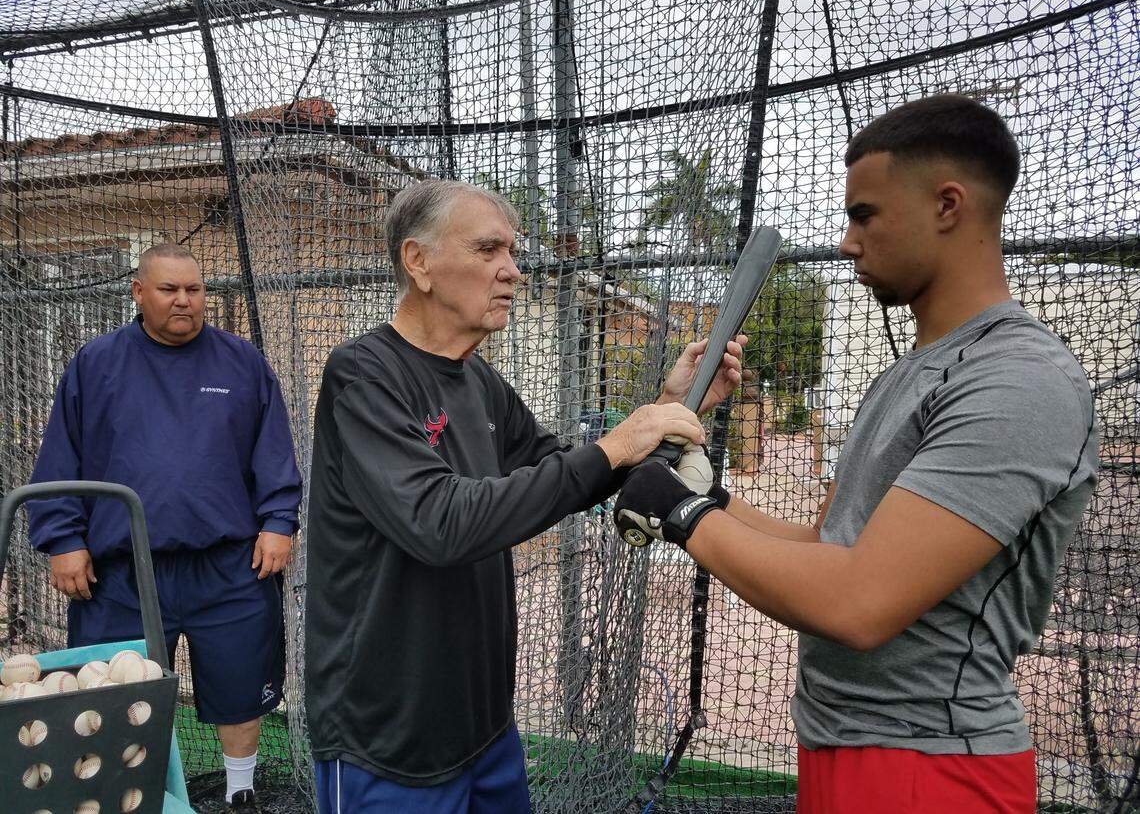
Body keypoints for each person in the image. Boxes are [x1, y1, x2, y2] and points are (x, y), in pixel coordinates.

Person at [614, 95, 1099, 813]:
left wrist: (681, 514)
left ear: (948, 204)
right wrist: (710, 495)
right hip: (840, 741)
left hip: (934, 768)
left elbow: (858, 600)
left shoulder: (1018, 379)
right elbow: (827, 544)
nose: (846, 240)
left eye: (864, 214)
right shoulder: (906, 374)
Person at [304, 179, 745, 813]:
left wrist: (671, 408)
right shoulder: (363, 376)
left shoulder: (478, 379)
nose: (512, 269)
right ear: (418, 262)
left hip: (484, 727)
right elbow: (439, 524)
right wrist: (618, 444)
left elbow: (566, 468)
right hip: (388, 740)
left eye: (512, 251)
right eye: (488, 250)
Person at [28, 243, 302, 813]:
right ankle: (122, 796)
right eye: (169, 289)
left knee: (238, 685)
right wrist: (63, 540)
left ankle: (240, 792)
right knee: (114, 693)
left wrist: (278, 521)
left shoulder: (242, 362)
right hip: (121, 570)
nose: (184, 300)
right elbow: (61, 460)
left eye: (194, 289)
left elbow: (273, 450)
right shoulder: (95, 364)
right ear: (138, 293)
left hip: (229, 564)